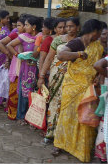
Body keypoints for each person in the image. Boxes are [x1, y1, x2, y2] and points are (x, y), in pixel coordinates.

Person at [54, 19, 103, 162]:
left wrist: (98, 76)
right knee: (67, 116)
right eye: (99, 32)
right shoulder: (77, 43)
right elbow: (61, 55)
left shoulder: (98, 47)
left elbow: (101, 63)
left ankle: (81, 150)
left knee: (84, 118)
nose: (100, 35)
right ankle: (60, 144)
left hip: (88, 89)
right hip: (72, 88)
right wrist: (79, 54)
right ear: (94, 31)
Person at [37, 17, 79, 150]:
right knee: (55, 103)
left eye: (71, 26)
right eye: (67, 26)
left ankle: (65, 137)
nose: (68, 29)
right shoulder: (58, 40)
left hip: (73, 79)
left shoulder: (82, 41)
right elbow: (49, 58)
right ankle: (51, 133)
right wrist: (42, 76)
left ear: (78, 27)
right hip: (56, 76)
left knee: (69, 105)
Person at [7, 16, 41, 124]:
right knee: (24, 91)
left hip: (37, 67)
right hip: (26, 68)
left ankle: (33, 118)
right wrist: (18, 55)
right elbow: (9, 45)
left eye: (27, 25)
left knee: (35, 92)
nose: (25, 27)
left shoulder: (41, 37)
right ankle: (21, 116)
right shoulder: (24, 37)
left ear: (34, 27)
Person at [0, 16, 26, 120]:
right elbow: (0, 43)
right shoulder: (16, 34)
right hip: (16, 64)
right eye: (17, 25)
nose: (18, 27)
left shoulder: (32, 37)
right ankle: (12, 113)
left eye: (20, 25)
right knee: (14, 89)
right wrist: (9, 55)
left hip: (27, 66)